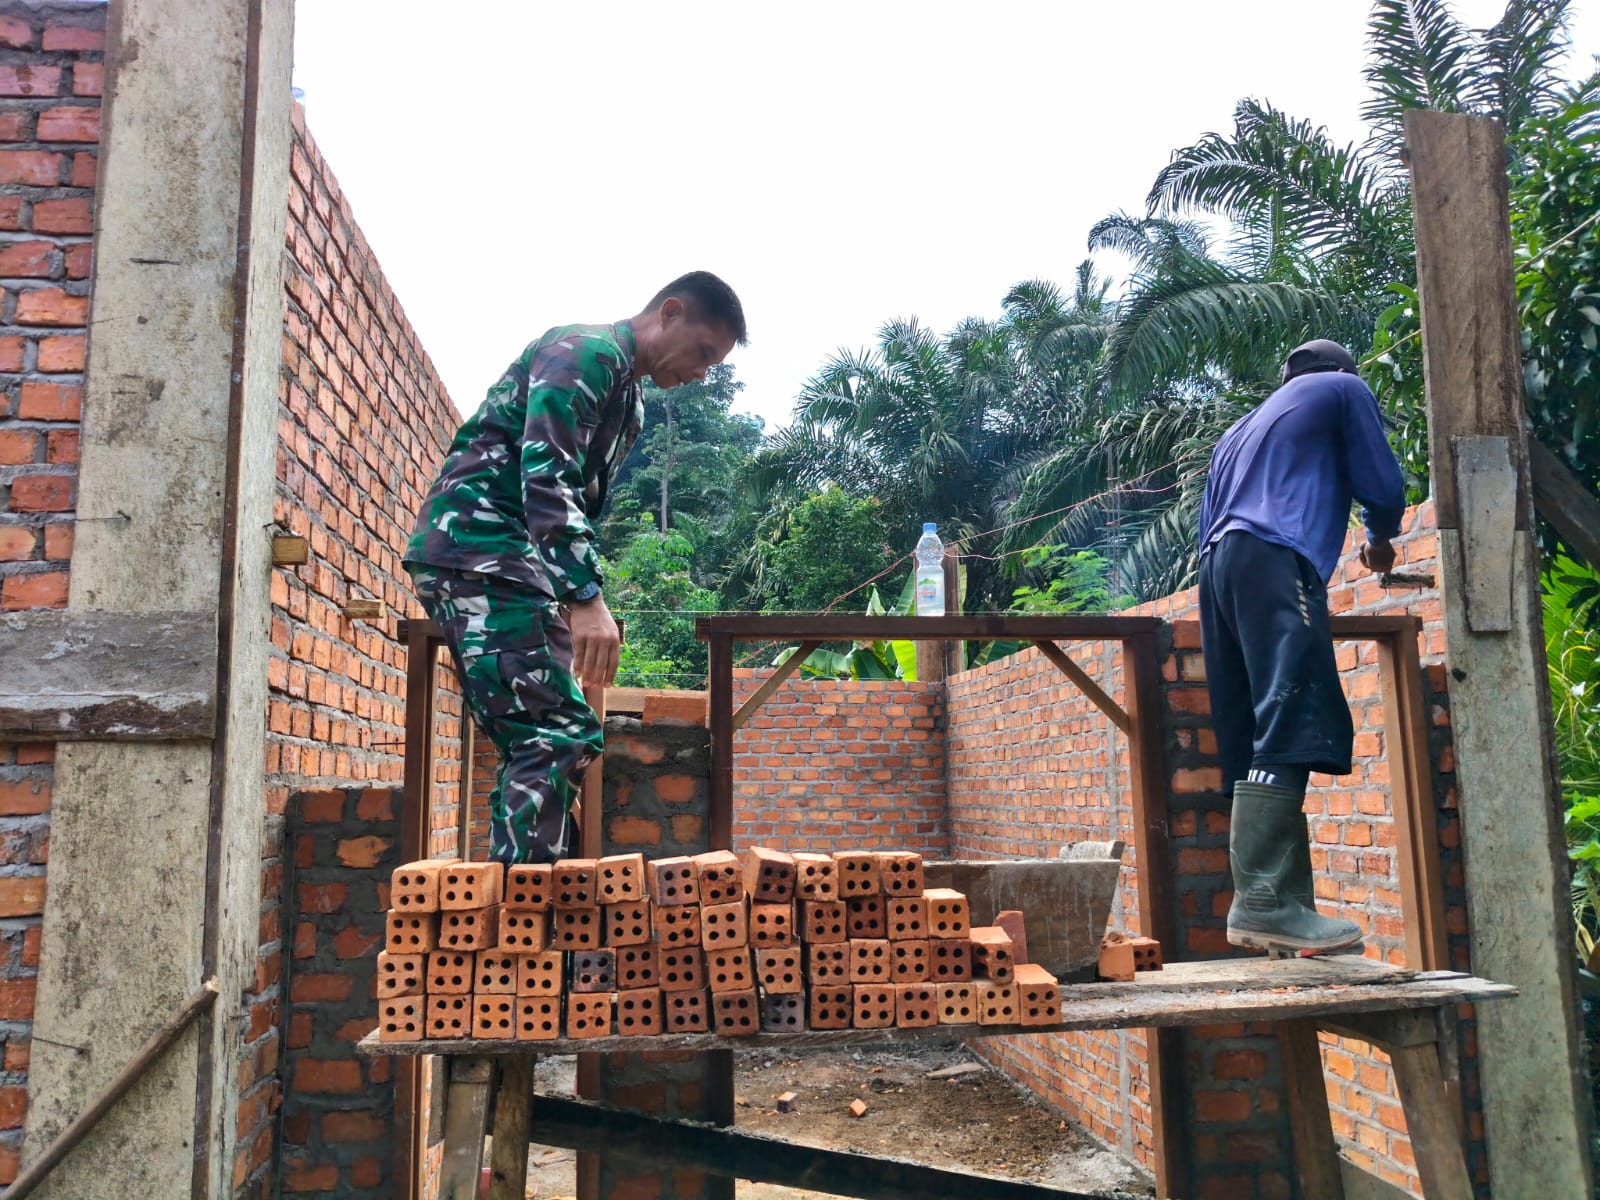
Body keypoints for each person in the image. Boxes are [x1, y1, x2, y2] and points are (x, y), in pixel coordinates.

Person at [404, 271, 747, 865]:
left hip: (513, 564)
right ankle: (524, 931)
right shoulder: (584, 353)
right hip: (479, 548)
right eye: (702, 353)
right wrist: (585, 599)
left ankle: (527, 911)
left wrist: (574, 597)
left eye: (712, 365)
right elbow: (547, 475)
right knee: (553, 731)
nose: (700, 373)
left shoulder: (628, 403)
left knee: (546, 736)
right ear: (669, 313)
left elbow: (580, 507)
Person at [1197, 338, 1406, 954]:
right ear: (1342, 372)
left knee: (1252, 727)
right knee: (1295, 703)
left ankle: (1279, 903)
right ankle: (1263, 903)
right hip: (1275, 553)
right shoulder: (1345, 389)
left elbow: (1211, 518)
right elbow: (1382, 483)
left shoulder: (1237, 431)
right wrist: (1382, 538)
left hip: (1217, 569)